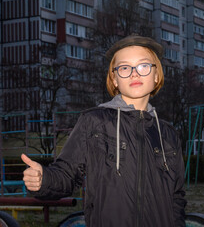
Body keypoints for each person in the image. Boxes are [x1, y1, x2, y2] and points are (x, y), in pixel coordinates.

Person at [21, 35, 187, 227]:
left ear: (156, 75)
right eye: (124, 68)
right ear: (115, 79)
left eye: (143, 66)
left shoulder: (168, 133)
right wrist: (44, 179)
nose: (134, 73)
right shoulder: (94, 121)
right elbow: (67, 174)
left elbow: (177, 197)